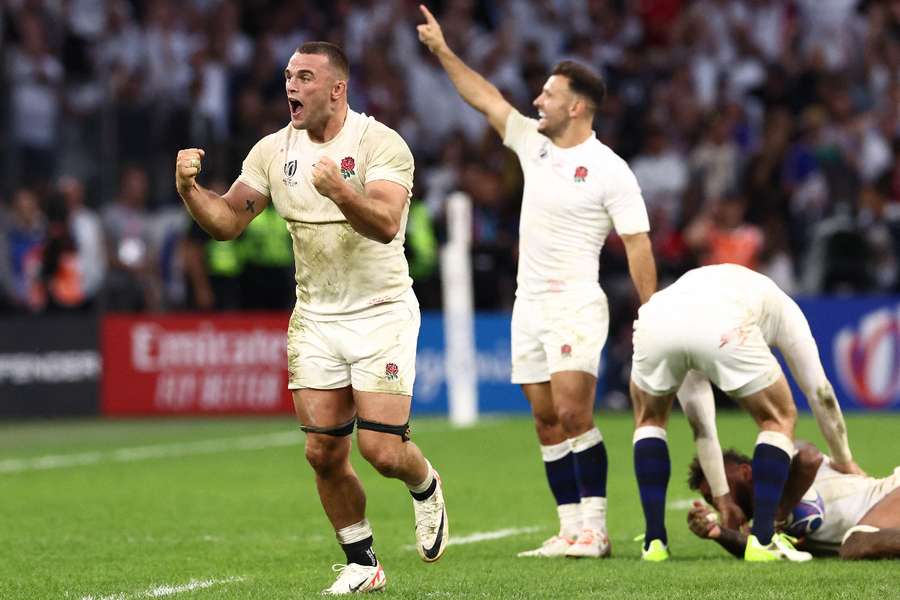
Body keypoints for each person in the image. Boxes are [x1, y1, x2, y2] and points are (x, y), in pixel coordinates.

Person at [174, 41, 447, 595]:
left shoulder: (381, 143)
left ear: (336, 89)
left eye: (304, 77)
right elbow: (227, 221)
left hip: (381, 312)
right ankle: (362, 561)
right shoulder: (273, 151)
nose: (291, 87)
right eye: (287, 77)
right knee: (322, 451)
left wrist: (342, 191)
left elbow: (388, 224)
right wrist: (188, 190)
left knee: (382, 451)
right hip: (316, 315)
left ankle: (425, 484)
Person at [417, 5, 656, 558]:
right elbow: (484, 98)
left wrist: (652, 310)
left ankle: (596, 529)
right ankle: (570, 528)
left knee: (575, 411)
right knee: (545, 419)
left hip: (575, 301)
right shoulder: (533, 142)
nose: (536, 101)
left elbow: (638, 243)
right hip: (529, 304)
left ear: (575, 105)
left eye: (547, 94)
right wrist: (443, 51)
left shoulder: (610, 168)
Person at [630, 263, 861, 562]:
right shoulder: (782, 309)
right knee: (777, 418)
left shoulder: (691, 294)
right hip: (722, 319)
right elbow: (821, 392)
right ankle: (763, 540)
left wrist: (724, 498)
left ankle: (654, 543)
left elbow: (701, 424)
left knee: (649, 421)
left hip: (655, 317)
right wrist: (845, 460)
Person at [686, 445, 900, 560]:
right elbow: (755, 547)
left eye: (718, 488)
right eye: (709, 498)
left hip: (892, 491)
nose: (718, 499)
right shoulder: (766, 532)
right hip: (887, 521)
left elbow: (810, 457)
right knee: (854, 544)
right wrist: (714, 532)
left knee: (856, 543)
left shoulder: (781, 467)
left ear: (745, 472)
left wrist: (779, 514)